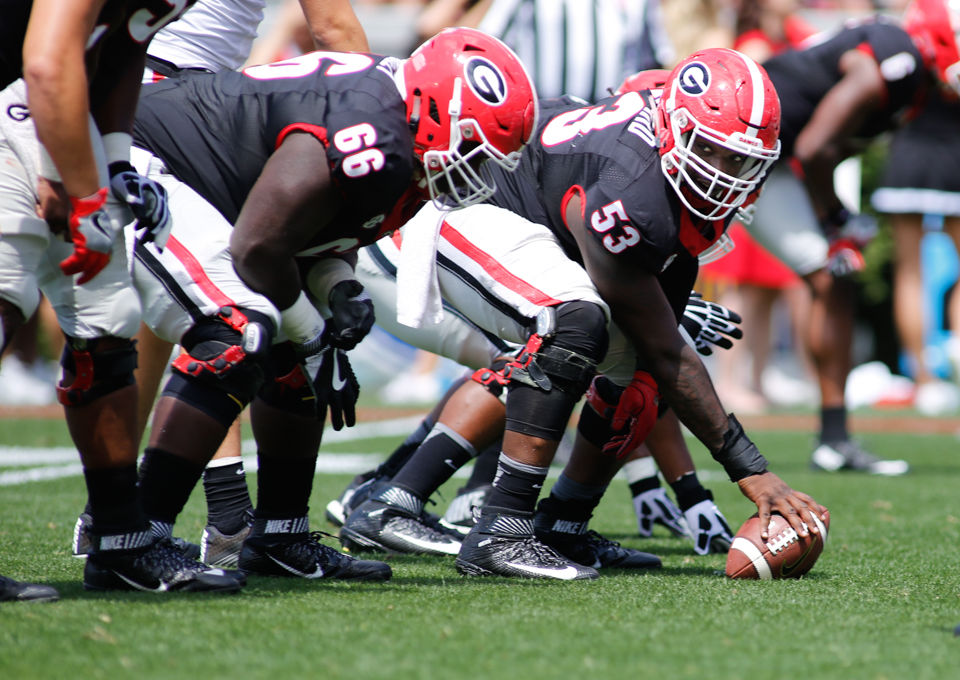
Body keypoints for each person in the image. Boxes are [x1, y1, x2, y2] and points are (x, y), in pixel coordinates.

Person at [340, 48, 825, 580]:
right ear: (674, 127)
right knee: (572, 322)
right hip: (455, 210)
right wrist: (752, 472)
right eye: (713, 152)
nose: (725, 174)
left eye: (742, 160)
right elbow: (669, 350)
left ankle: (562, 524)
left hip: (509, 230)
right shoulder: (629, 182)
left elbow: (659, 356)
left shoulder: (667, 177)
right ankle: (496, 528)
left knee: (633, 367)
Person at [122, 27, 538, 582]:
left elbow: (316, 231)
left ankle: (280, 536)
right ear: (437, 111)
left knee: (291, 357)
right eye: (472, 147)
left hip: (221, 204)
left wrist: (339, 286)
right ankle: (135, 536)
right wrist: (315, 338)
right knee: (236, 333)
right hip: (145, 163)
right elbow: (259, 246)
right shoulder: (375, 129)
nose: (476, 170)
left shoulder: (405, 138)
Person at [1, 0, 245, 595]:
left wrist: (111, 163)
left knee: (107, 320)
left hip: (57, 102)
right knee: (4, 302)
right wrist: (80, 192)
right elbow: (46, 59)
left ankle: (119, 540)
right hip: (24, 94)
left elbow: (124, 48)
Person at [743, 0, 960, 474]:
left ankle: (835, 439)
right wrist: (838, 218)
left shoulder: (909, 73)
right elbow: (814, 146)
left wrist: (833, 220)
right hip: (740, 153)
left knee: (834, 278)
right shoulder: (897, 58)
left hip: (767, 157)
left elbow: (830, 144)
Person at [871, 85, 960, 416]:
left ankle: (924, 381)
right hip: (953, 156)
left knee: (910, 273)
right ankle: (941, 373)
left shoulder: (915, 37)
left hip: (908, 154)